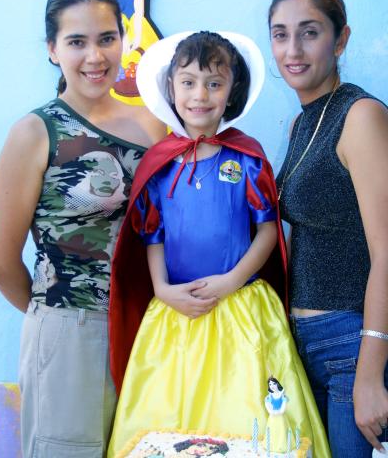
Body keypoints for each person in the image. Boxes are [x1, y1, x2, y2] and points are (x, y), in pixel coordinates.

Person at [106, 31, 331, 456]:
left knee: (247, 422)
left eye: (214, 83)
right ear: (170, 88)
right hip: (176, 316)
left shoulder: (246, 159)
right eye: (188, 82)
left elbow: (268, 230)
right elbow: (152, 234)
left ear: (232, 91)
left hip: (240, 313)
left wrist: (232, 281)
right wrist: (161, 289)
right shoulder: (160, 165)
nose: (200, 95)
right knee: (173, 424)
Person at [0, 0, 165, 457]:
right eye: (76, 42)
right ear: (52, 49)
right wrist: (60, 318)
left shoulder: (153, 123)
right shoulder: (34, 132)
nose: (95, 56)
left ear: (123, 41)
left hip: (150, 330)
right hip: (69, 333)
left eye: (107, 38)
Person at [269, 0, 388, 457]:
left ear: (341, 39)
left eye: (309, 31)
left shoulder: (360, 115)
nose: (293, 49)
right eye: (280, 33)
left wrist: (369, 373)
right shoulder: (301, 122)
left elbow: (387, 249)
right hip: (305, 347)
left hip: (351, 346)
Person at [79, 0, 160, 102]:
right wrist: (121, 35)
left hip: (135, 23)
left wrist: (136, 36)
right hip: (108, 24)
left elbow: (139, 10)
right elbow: (110, 4)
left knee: (150, 70)